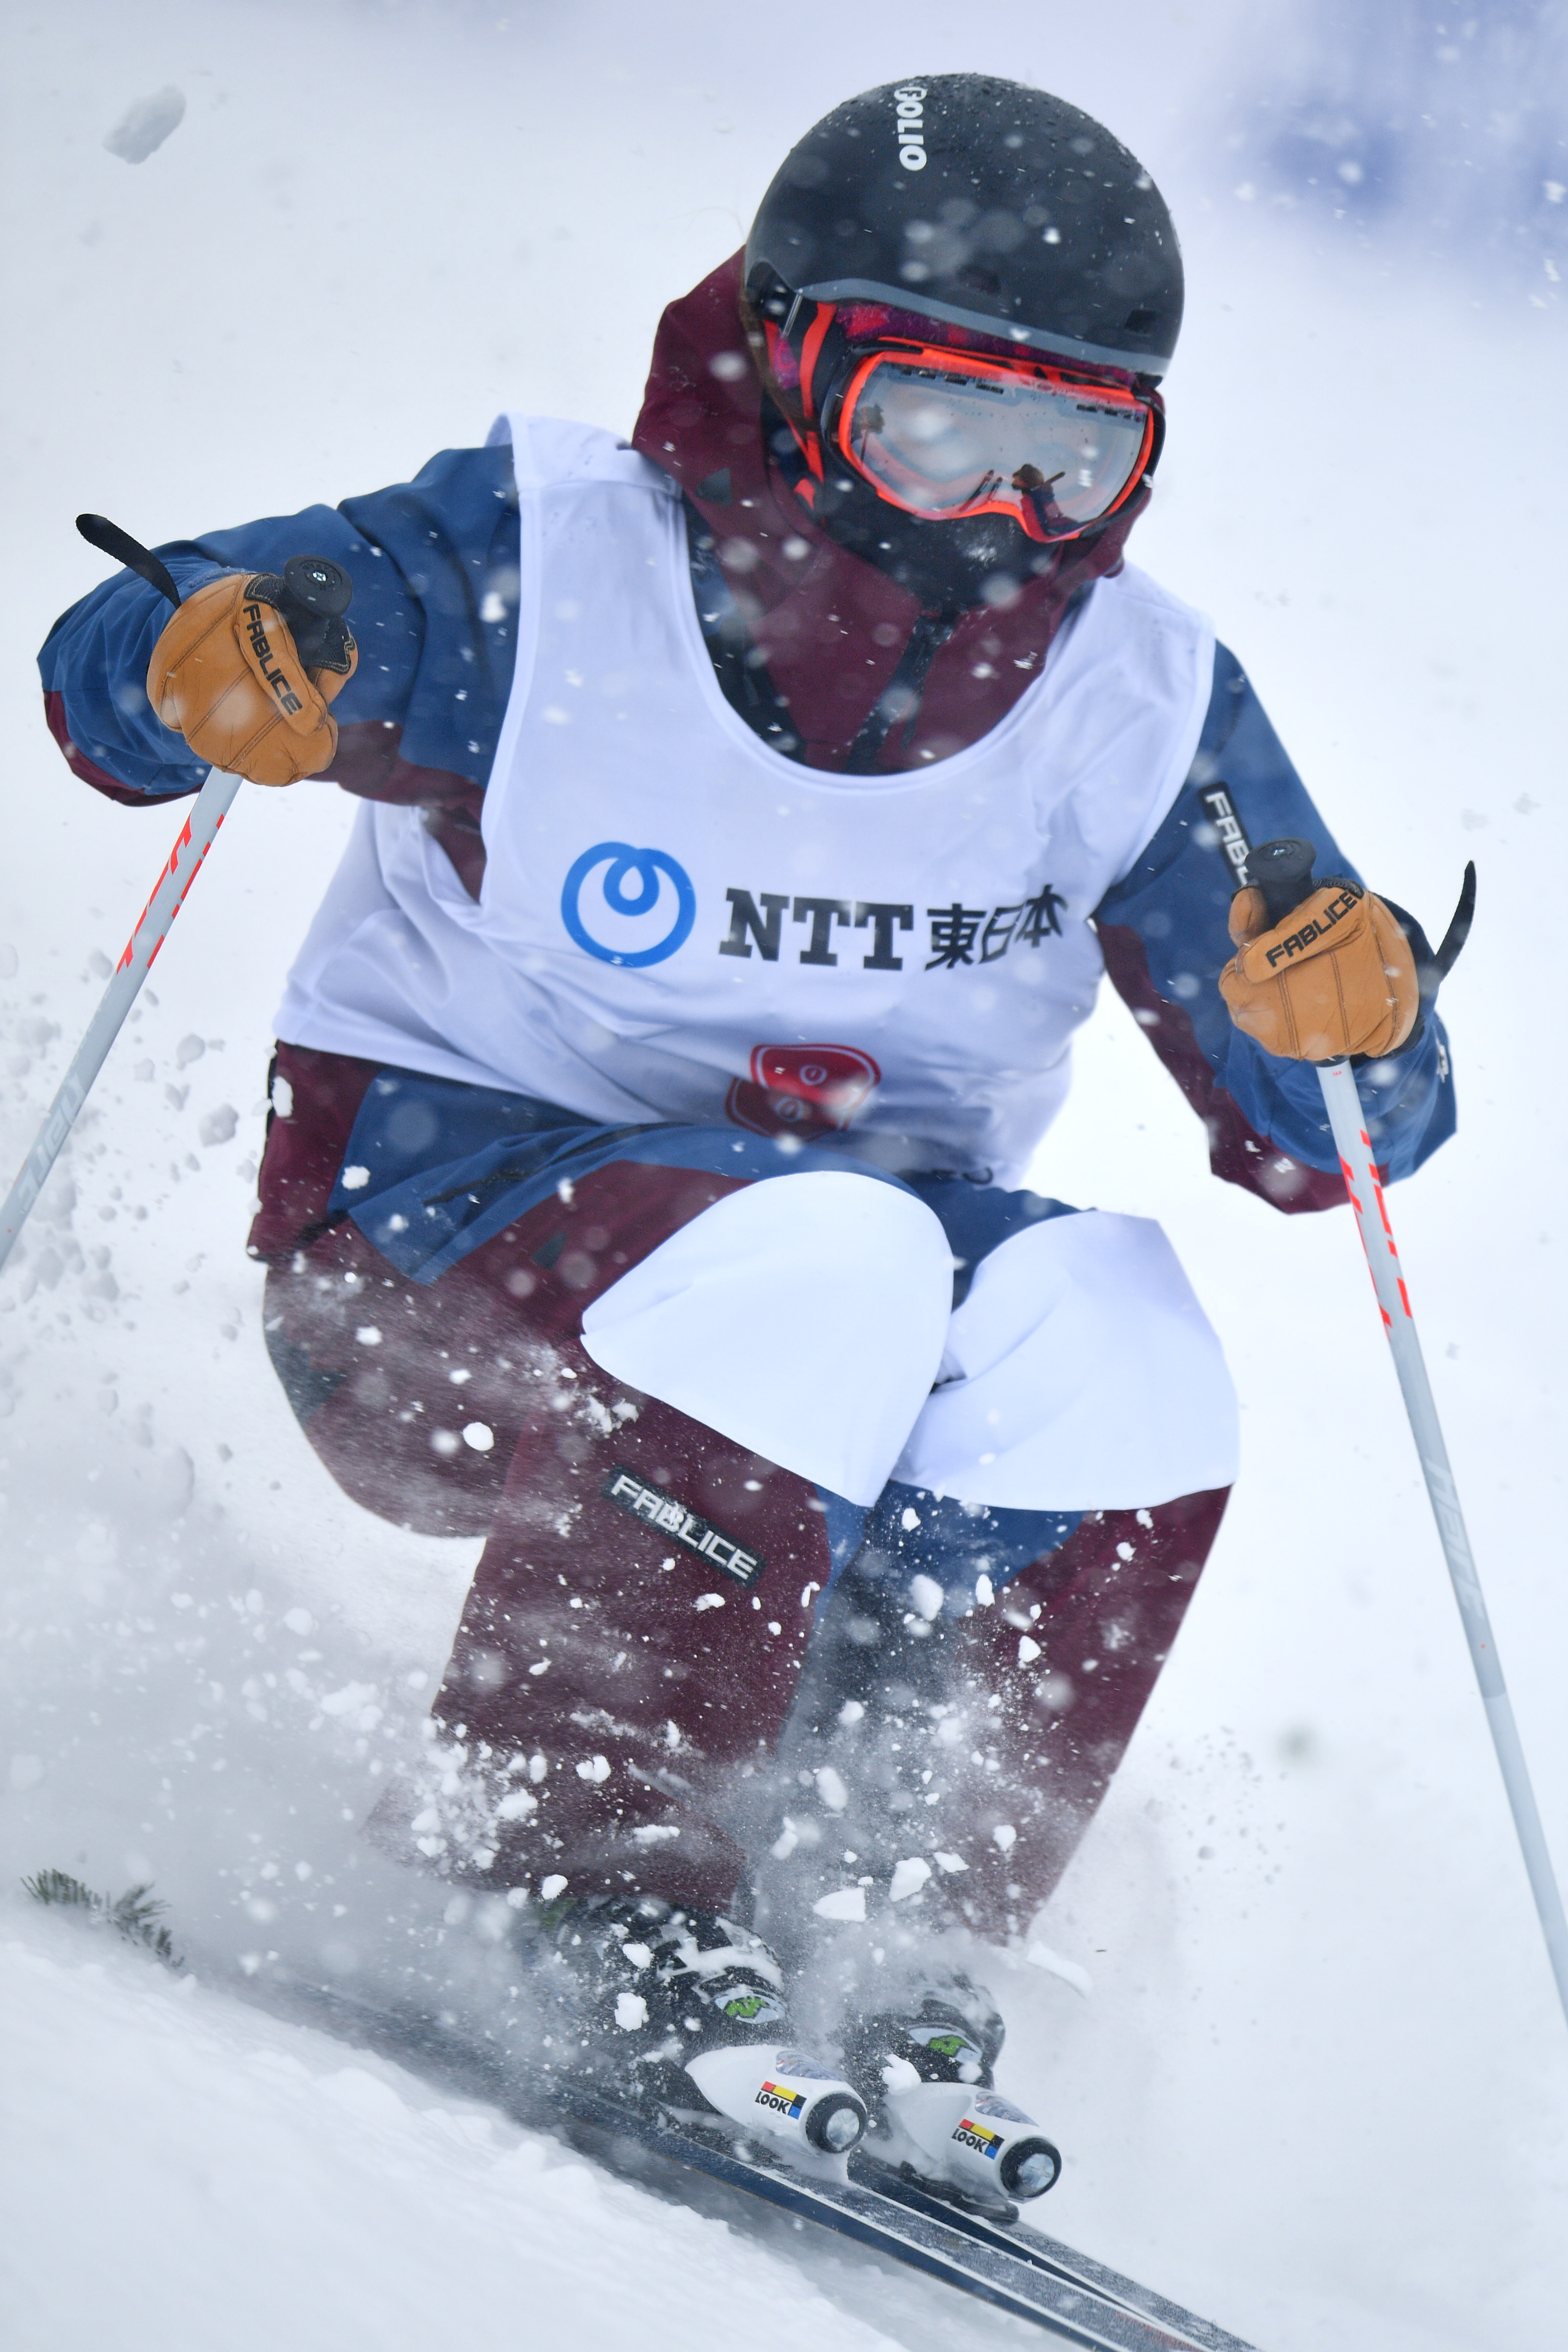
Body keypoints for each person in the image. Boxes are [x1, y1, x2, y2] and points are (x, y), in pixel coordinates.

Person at [38, 75, 1454, 2177]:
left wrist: (1352, 1027)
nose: (994, 518)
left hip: (823, 1355)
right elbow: (118, 680)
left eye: (1072, 460)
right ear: (797, 364)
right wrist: (203, 663)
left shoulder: (1135, 697)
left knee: (1121, 1334)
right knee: (837, 1253)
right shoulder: (551, 565)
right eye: (932, 427)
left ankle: (885, 1919)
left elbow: (1329, 1127)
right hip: (428, 1271)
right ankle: (562, 1861)